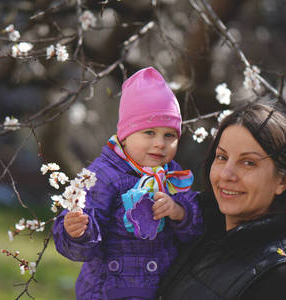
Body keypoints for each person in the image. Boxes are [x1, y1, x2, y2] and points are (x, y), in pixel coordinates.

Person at [52, 67, 202, 300]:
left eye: (169, 135)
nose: (160, 143)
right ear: (125, 135)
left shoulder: (172, 175)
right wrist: (77, 231)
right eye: (149, 133)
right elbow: (85, 239)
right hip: (110, 289)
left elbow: (194, 228)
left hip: (162, 286)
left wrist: (179, 212)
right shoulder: (103, 175)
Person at [156, 102, 286, 299]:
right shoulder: (196, 227)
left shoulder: (280, 269)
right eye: (221, 157)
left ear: (282, 180)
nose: (227, 174)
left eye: (248, 162)